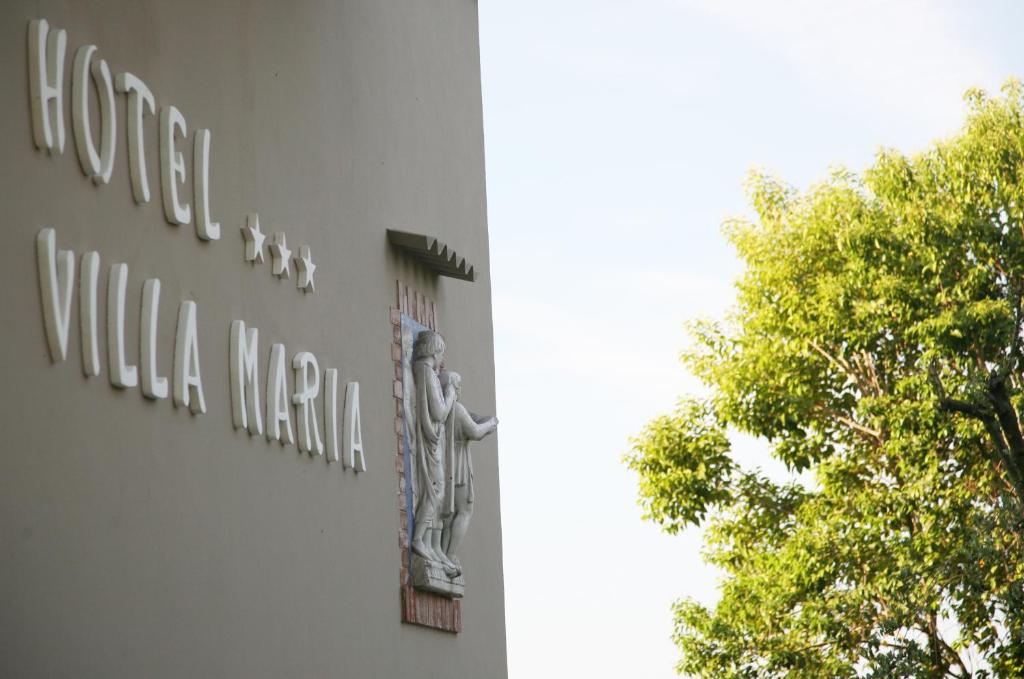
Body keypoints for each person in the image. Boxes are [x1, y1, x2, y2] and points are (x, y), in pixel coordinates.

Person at [410, 330, 459, 576]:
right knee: (435, 489)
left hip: (433, 441)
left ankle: (428, 542)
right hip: (431, 442)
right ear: (434, 351)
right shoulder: (427, 373)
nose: (442, 359)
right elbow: (439, 413)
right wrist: (450, 394)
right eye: (441, 353)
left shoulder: (424, 371)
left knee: (436, 491)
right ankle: (419, 538)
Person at [439, 371, 498, 574]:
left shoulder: (444, 409)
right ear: (453, 387)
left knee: (449, 513)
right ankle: (450, 554)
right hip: (459, 465)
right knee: (464, 511)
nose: (460, 389)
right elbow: (475, 432)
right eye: (459, 385)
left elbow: (471, 420)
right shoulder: (457, 408)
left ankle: (444, 552)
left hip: (445, 463)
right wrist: (491, 424)